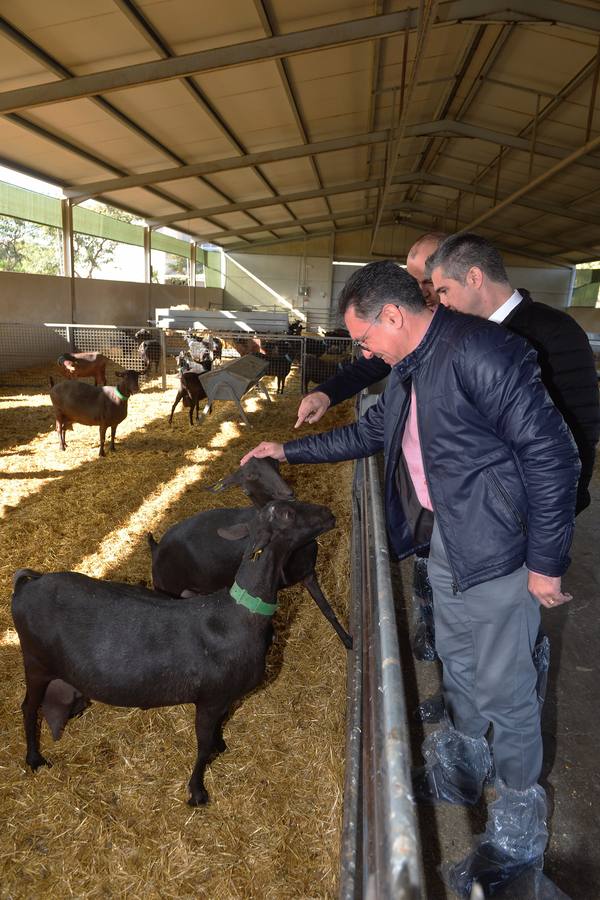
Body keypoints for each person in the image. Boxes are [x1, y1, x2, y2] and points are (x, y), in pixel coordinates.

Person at [240, 260, 580, 893]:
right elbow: (373, 432)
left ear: (392, 316)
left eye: (365, 340)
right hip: (447, 535)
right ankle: (462, 763)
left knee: (508, 686)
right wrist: (286, 450)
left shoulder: (486, 353)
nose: (365, 352)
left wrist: (546, 562)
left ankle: (515, 833)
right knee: (456, 655)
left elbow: (553, 454)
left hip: (500, 548)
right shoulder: (409, 368)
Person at [427, 232, 599, 514]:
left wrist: (559, 505)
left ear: (474, 277)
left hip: (527, 502)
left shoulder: (555, 332)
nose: (441, 302)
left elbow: (582, 423)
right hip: (478, 499)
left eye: (444, 290)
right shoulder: (467, 334)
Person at [294, 232, 445, 429]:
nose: (420, 292)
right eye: (413, 283)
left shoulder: (473, 338)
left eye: (429, 282)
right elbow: (369, 366)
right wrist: (325, 394)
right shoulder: (411, 321)